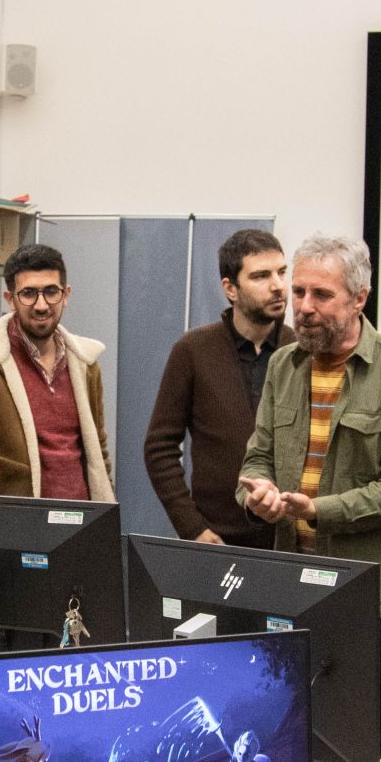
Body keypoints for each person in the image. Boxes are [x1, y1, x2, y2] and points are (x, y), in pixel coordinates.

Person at [236, 235, 381, 757]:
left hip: (362, 601)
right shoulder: (284, 365)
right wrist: (256, 494)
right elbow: (257, 457)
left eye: (321, 294)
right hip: (288, 591)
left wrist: (318, 511)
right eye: (299, 291)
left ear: (359, 298)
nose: (303, 306)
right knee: (287, 741)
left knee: (368, 747)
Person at [143, 228, 293, 549]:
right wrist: (192, 527)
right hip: (216, 539)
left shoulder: (301, 351)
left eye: (282, 272)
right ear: (230, 288)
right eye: (261, 276)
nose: (278, 286)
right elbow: (159, 448)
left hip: (287, 538)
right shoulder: (193, 350)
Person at [0, 242, 113, 501]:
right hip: (12, 526)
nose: (41, 305)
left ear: (66, 295)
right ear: (10, 299)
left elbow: (98, 456)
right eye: (28, 293)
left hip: (81, 523)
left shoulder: (86, 366)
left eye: (51, 291)